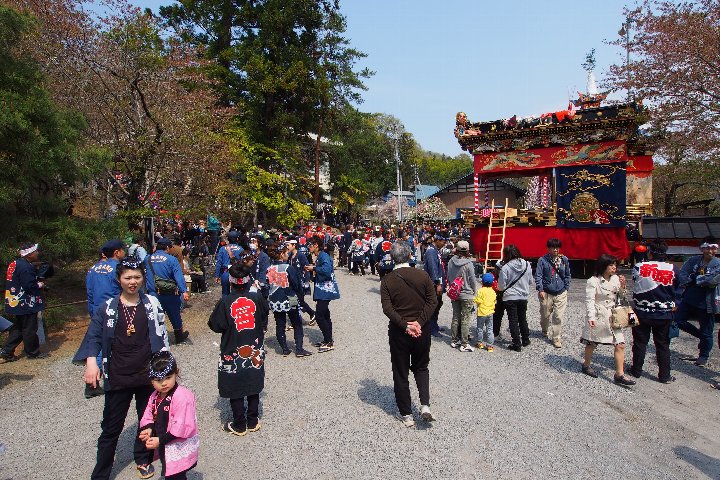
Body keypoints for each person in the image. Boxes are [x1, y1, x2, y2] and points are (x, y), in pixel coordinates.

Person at [73, 257, 170, 480]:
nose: (132, 282)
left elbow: (162, 337)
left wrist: (167, 366)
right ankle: (101, 472)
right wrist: (91, 363)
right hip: (117, 375)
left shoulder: (152, 303)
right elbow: (94, 337)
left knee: (148, 421)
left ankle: (143, 458)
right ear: (119, 279)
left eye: (137, 277)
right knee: (111, 428)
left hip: (148, 374)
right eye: (128, 277)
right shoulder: (107, 308)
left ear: (143, 278)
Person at [208, 256, 269, 436]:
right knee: (253, 379)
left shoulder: (225, 302)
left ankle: (239, 423)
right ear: (248, 280)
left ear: (231, 282)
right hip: (254, 346)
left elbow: (215, 325)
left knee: (234, 381)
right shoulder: (257, 297)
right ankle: (252, 419)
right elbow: (265, 313)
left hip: (232, 347)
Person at [380, 241, 438, 427]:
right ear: (410, 256)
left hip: (399, 331)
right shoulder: (423, 276)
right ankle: (425, 405)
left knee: (401, 371)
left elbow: (387, 309)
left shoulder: (388, 280)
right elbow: (432, 301)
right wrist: (419, 323)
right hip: (422, 330)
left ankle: (406, 414)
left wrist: (406, 325)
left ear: (392, 257)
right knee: (421, 367)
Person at [138, 351, 198, 480]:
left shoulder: (182, 397)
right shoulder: (155, 396)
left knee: (176, 475)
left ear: (176, 373)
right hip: (166, 444)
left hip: (178, 446)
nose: (163, 383)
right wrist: (148, 428)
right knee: (170, 470)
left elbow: (182, 427)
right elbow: (149, 412)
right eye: (158, 380)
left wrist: (160, 440)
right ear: (151, 380)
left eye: (168, 377)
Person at [629, 240, 681, 383]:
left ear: (649, 252)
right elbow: (679, 289)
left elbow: (635, 282)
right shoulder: (673, 268)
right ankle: (664, 376)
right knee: (663, 345)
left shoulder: (639, 267)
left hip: (641, 311)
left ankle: (636, 370)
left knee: (639, 342)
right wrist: (676, 304)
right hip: (664, 313)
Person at [580, 254, 635, 386]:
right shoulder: (593, 281)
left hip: (613, 315)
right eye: (611, 265)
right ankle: (586, 364)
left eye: (615, 264)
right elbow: (590, 300)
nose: (614, 267)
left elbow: (621, 296)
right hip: (599, 314)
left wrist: (622, 285)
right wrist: (591, 317)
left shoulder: (616, 279)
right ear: (603, 266)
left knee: (620, 344)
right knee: (592, 343)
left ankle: (619, 374)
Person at [84, 239, 126, 398]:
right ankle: (93, 383)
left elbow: (89, 292)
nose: (124, 252)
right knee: (111, 345)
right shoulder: (118, 268)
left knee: (100, 343)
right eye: (123, 250)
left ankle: (93, 380)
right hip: (115, 310)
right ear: (117, 252)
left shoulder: (93, 268)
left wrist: (92, 311)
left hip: (97, 310)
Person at [675, 236, 720, 367]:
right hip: (689, 298)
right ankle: (700, 336)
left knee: (707, 330)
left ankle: (703, 355)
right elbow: (682, 275)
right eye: (708, 248)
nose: (711, 252)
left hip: (708, 301)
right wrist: (694, 279)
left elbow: (712, 280)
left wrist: (695, 278)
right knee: (678, 320)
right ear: (702, 249)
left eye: (713, 249)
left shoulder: (718, 263)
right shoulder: (693, 260)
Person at [1, 242, 46, 362]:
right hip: (25, 303)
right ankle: (33, 352)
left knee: (20, 328)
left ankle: (6, 350)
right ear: (29, 254)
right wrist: (40, 284)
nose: (37, 253)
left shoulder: (14, 264)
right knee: (30, 328)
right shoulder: (26, 267)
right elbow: (29, 285)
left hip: (15, 302)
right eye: (35, 251)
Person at [266, 244, 313, 357]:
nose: (288, 254)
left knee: (280, 324)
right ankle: (299, 349)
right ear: (281, 254)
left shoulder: (269, 268)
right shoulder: (288, 268)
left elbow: (267, 284)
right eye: (286, 252)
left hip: (274, 299)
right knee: (297, 323)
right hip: (289, 297)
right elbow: (296, 284)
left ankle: (285, 349)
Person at [146, 237, 191, 345]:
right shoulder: (171, 259)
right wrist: (184, 291)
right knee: (175, 315)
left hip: (153, 294)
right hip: (169, 293)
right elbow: (178, 276)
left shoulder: (147, 259)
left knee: (155, 317)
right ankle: (179, 336)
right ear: (167, 247)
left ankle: (155, 339)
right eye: (170, 247)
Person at [305, 236, 340, 353]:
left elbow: (327, 270)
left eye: (310, 245)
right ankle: (327, 339)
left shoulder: (323, 256)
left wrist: (313, 268)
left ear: (316, 245)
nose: (309, 247)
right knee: (325, 315)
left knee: (319, 315)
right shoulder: (321, 255)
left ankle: (329, 341)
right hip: (323, 289)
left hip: (325, 290)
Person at [535, 238, 571, 348]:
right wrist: (540, 289)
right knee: (545, 315)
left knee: (558, 316)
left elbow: (568, 274)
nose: (555, 249)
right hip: (546, 291)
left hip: (560, 291)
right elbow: (539, 275)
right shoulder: (543, 260)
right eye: (553, 247)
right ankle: (544, 329)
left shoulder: (564, 259)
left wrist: (566, 287)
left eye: (557, 247)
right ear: (548, 248)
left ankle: (556, 338)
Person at [497, 245, 534, 352]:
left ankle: (516, 343)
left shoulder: (505, 267)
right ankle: (526, 340)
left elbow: (501, 286)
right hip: (523, 296)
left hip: (510, 297)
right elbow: (530, 281)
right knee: (522, 318)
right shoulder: (527, 264)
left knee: (513, 320)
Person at [446, 240, 479, 352]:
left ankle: (454, 340)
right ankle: (464, 344)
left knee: (455, 317)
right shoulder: (468, 263)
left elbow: (449, 276)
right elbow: (473, 280)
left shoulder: (451, 261)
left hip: (455, 293)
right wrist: (474, 292)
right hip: (466, 294)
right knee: (465, 319)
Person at [286, 238, 315, 324]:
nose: (287, 247)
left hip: (300, 282)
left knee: (300, 301)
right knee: (294, 301)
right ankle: (297, 319)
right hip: (292, 282)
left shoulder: (301, 256)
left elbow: (307, 268)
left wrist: (306, 281)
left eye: (288, 245)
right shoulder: (290, 256)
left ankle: (311, 313)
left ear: (294, 245)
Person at [423, 235, 447, 336]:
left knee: (438, 304)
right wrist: (437, 283)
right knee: (433, 305)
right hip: (433, 284)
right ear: (437, 241)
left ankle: (435, 325)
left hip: (438, 283)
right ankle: (431, 328)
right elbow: (433, 269)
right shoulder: (431, 252)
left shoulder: (435, 250)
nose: (444, 244)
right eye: (443, 241)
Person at [214, 231, 244, 296]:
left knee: (225, 293)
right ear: (237, 239)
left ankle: (225, 305)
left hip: (225, 272)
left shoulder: (222, 249)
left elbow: (218, 263)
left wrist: (217, 275)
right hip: (236, 273)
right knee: (236, 294)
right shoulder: (241, 249)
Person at [474, 273, 497, 352]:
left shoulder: (481, 290)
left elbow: (478, 300)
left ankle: (479, 343)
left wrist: (474, 300)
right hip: (490, 313)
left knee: (480, 328)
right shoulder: (493, 292)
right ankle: (490, 346)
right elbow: (494, 302)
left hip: (481, 312)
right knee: (489, 329)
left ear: (482, 282)